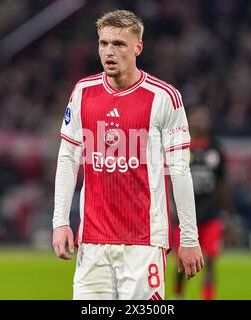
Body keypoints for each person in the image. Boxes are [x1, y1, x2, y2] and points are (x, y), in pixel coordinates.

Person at [52, 10, 204, 300]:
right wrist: (60, 222)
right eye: (103, 43)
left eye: (119, 44)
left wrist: (189, 237)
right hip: (93, 242)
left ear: (138, 47)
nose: (109, 51)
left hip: (144, 243)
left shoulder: (164, 97)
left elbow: (180, 171)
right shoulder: (83, 92)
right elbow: (68, 158)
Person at [171, 106, 236, 300]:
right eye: (196, 118)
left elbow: (221, 184)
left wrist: (229, 214)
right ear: (188, 121)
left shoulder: (216, 148)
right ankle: (178, 296)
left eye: (203, 118)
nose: (200, 122)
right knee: (182, 262)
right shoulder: (180, 146)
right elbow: (169, 180)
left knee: (209, 260)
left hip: (211, 215)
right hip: (183, 216)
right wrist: (170, 207)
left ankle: (207, 297)